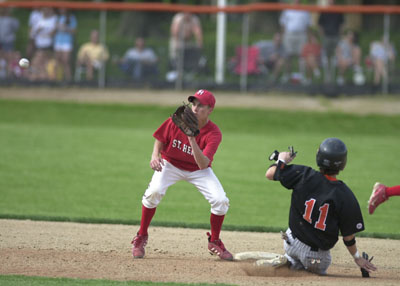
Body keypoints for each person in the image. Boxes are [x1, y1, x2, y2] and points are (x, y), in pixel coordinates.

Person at [131, 89, 233, 261]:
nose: (195, 108)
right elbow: (160, 138)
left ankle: (214, 241)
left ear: (210, 110)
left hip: (198, 170)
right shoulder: (177, 121)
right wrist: (154, 156)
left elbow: (202, 164)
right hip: (170, 164)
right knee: (153, 193)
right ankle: (141, 236)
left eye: (201, 105)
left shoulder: (214, 133)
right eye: (194, 103)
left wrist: (192, 138)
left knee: (220, 201)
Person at [265, 138, 377, 275]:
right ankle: (299, 267)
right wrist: (357, 258)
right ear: (343, 164)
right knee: (318, 267)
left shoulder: (303, 175)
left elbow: (270, 173)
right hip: (315, 259)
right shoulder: (345, 194)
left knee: (294, 256)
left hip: (291, 244)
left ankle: (290, 261)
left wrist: (282, 160)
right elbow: (348, 236)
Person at [279, 0, 312, 83]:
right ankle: (286, 75)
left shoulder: (305, 10)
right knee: (287, 56)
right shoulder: (287, 10)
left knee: (302, 57)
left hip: (301, 35)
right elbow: (283, 24)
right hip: (289, 34)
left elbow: (308, 25)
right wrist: (282, 36)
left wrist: (309, 38)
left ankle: (302, 76)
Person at [318, 0, 344, 83]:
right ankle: (327, 78)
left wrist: (340, 35)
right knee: (326, 57)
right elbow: (320, 24)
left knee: (338, 57)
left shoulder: (338, 10)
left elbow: (341, 24)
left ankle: (339, 77)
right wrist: (322, 35)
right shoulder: (324, 11)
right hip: (327, 37)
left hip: (336, 36)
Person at [29, 7, 58, 81]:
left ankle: (48, 79)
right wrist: (38, 30)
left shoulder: (53, 19)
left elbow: (53, 33)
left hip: (48, 45)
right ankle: (36, 78)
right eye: (44, 10)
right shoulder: (39, 20)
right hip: (39, 45)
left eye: (47, 10)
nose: (46, 11)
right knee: (38, 63)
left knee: (47, 63)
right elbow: (33, 33)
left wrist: (47, 33)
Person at [53, 8, 77, 82]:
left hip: (67, 42)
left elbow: (74, 31)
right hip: (58, 41)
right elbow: (54, 30)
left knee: (66, 61)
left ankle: (68, 80)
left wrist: (65, 28)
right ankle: (55, 80)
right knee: (57, 61)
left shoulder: (71, 18)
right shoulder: (57, 18)